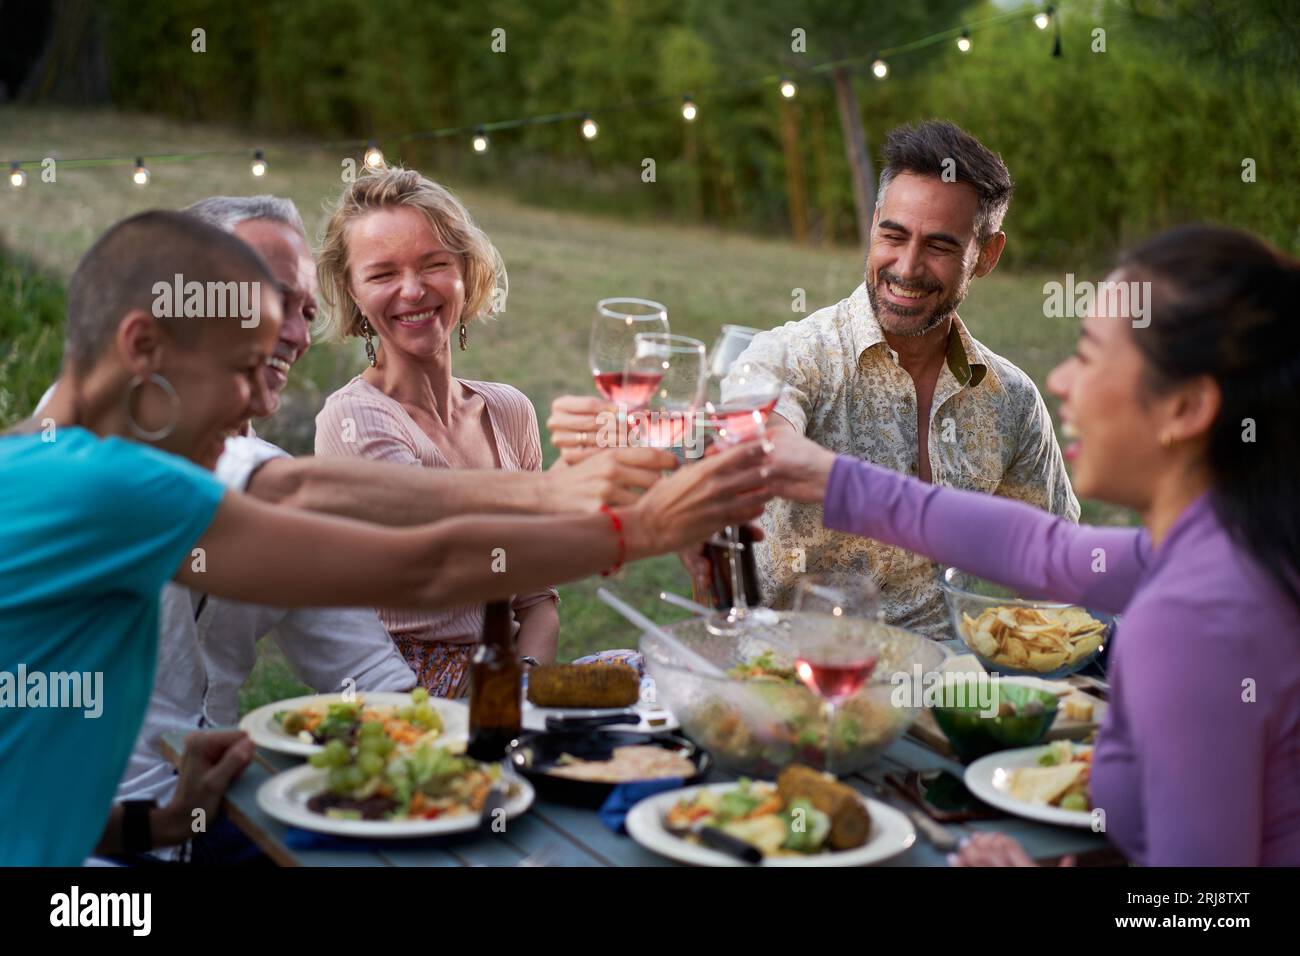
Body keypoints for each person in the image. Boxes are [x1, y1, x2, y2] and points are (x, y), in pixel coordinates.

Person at [0, 209, 771, 866]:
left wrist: (160, 822)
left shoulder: (40, 464)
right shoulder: (115, 489)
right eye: (241, 369)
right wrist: (645, 529)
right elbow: (425, 567)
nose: (252, 404)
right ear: (143, 348)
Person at [762, 224, 1300, 866]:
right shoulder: (1233, 544)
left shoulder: (1194, 620)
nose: (1061, 379)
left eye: (1090, 353)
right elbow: (1040, 550)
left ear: (1185, 408)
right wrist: (827, 477)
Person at [549, 120, 1078, 638]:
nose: (907, 267)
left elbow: (1059, 560)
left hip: (948, 687)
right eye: (892, 235)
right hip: (792, 679)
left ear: (985, 254)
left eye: (939, 247)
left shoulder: (1011, 399)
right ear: (873, 224)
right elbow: (763, 447)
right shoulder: (792, 353)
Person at [314, 169, 570, 694]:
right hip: (400, 690)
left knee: (646, 685)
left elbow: (538, 601)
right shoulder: (354, 421)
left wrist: (524, 688)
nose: (413, 290)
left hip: (505, 677)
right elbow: (451, 555)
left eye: (434, 264)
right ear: (353, 292)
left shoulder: (509, 411)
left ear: (466, 273)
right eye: (383, 274)